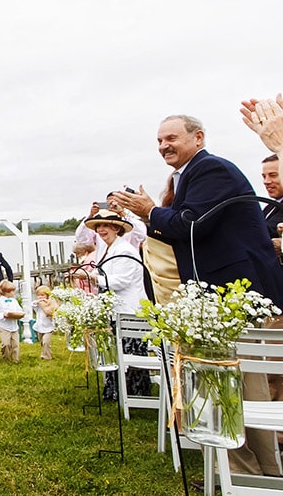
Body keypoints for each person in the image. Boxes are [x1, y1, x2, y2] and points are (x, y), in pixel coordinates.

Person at [116, 114, 283, 478]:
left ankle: (259, 474)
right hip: (220, 302)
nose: (163, 146)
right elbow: (180, 228)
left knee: (247, 389)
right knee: (236, 388)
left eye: (171, 138)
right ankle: (246, 472)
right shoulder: (190, 175)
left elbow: (190, 224)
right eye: (159, 141)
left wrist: (150, 211)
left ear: (198, 137)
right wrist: (149, 215)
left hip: (240, 296)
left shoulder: (211, 170)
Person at [83, 209, 149, 400]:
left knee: (131, 353)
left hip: (130, 311)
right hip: (116, 310)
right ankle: (116, 391)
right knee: (115, 351)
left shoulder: (125, 250)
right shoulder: (110, 249)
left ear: (116, 228)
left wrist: (91, 277)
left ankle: (134, 393)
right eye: (98, 227)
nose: (101, 230)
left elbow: (120, 281)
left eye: (105, 226)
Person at [0, 280, 23, 363]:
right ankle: (5, 357)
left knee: (15, 343)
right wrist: (3, 315)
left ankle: (15, 359)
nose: (13, 293)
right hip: (4, 326)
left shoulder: (14, 301)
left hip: (14, 326)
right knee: (6, 343)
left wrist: (19, 314)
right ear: (6, 292)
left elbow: (19, 310)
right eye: (11, 291)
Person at [32, 285, 58, 360]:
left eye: (42, 295)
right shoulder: (38, 305)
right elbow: (33, 304)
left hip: (49, 327)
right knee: (42, 342)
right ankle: (44, 353)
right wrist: (39, 302)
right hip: (40, 326)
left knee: (46, 341)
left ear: (47, 295)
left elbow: (52, 311)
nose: (40, 297)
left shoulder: (50, 304)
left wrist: (47, 303)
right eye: (38, 295)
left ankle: (47, 357)